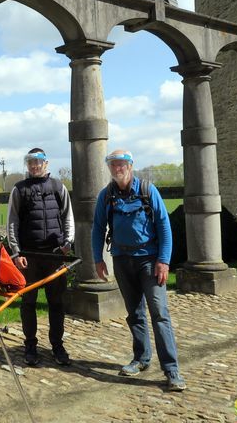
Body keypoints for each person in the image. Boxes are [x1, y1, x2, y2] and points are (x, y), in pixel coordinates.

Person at [91, 149, 186, 391]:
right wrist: (97, 259)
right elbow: (98, 227)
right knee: (134, 313)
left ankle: (172, 370)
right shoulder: (106, 196)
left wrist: (164, 260)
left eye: (122, 164)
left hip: (150, 261)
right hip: (122, 260)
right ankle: (141, 359)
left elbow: (164, 226)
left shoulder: (147, 190)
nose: (117, 168)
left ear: (131, 166)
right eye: (113, 164)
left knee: (159, 313)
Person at [7, 148, 75, 366]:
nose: (35, 165)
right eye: (31, 162)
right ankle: (30, 346)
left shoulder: (58, 186)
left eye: (38, 162)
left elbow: (68, 215)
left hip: (54, 255)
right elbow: (12, 222)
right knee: (28, 303)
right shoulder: (19, 190)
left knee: (57, 303)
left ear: (46, 164)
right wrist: (16, 253)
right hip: (29, 256)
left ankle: (57, 346)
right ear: (27, 165)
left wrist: (68, 242)